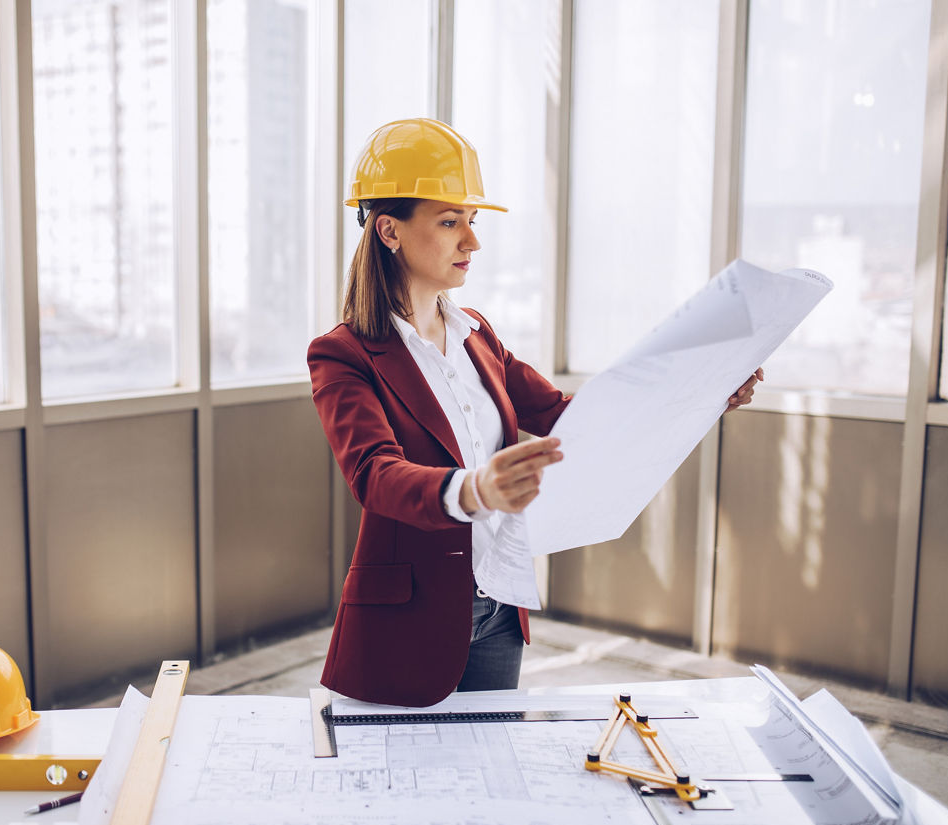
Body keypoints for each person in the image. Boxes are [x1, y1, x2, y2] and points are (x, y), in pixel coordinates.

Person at [307, 118, 760, 707]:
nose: (472, 242)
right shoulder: (343, 354)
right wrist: (474, 489)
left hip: (498, 608)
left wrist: (703, 394)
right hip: (406, 623)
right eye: (450, 222)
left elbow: (568, 417)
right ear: (389, 230)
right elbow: (375, 474)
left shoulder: (478, 338)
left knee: (485, 783)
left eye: (472, 221)